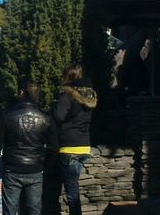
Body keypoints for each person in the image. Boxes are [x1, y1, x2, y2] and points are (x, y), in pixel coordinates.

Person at [0, 82, 57, 215]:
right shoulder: (46, 118)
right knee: (34, 209)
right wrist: (46, 165)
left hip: (12, 168)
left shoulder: (8, 115)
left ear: (22, 93)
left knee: (10, 210)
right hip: (35, 168)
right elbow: (54, 148)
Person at [53, 66, 98, 215]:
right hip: (84, 146)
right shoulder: (89, 95)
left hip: (69, 147)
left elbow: (58, 117)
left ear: (68, 77)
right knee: (73, 186)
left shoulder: (67, 95)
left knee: (72, 192)